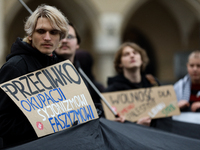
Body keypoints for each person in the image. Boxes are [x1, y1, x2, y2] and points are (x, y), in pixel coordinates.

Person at [0, 4, 69, 148]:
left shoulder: (60, 67)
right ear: (30, 35)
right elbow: (3, 123)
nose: (47, 37)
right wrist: (45, 124)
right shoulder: (15, 67)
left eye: (54, 32)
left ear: (60, 37)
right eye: (41, 31)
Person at [104, 42, 160, 126]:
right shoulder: (112, 91)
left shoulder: (153, 83)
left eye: (135, 53)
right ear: (120, 64)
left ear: (141, 60)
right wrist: (137, 125)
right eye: (126, 54)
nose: (132, 56)